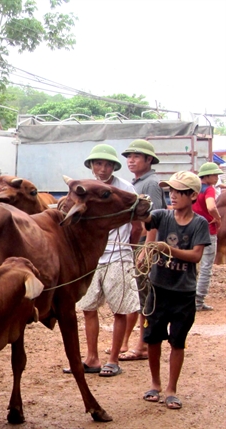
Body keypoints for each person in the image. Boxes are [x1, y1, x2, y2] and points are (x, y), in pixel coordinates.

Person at [65, 144, 141, 377]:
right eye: (98, 163)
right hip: (92, 258)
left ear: (114, 167)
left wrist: (129, 248)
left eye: (108, 164)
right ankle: (92, 358)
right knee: (87, 307)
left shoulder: (126, 189)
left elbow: (137, 225)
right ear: (91, 166)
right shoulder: (83, 189)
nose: (103, 168)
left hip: (118, 254)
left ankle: (113, 359)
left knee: (119, 309)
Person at [140, 171, 210, 409]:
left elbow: (196, 255)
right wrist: (140, 208)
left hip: (184, 293)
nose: (173, 195)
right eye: (171, 191)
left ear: (193, 195)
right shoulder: (161, 215)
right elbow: (146, 219)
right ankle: (155, 384)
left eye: (179, 192)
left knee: (178, 341)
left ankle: (172, 388)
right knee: (153, 339)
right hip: (158, 289)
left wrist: (166, 249)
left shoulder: (199, 223)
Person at [119, 139, 167, 361]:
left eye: (136, 156)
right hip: (136, 244)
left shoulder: (151, 184)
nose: (131, 160)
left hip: (145, 245)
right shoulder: (136, 183)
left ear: (149, 160)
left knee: (144, 297)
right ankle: (126, 342)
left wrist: (147, 250)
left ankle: (143, 345)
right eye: (129, 157)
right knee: (134, 295)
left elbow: (155, 219)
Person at [191, 161, 222, 311]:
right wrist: (217, 217)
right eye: (215, 175)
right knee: (206, 267)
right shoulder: (209, 190)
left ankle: (188, 298)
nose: (217, 177)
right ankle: (198, 301)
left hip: (192, 229)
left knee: (191, 266)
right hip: (208, 231)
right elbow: (211, 206)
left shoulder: (195, 190)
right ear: (207, 176)